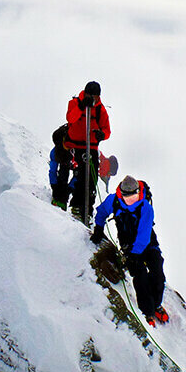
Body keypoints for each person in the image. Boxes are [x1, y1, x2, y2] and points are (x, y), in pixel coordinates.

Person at [90, 175, 169, 327]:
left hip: (147, 244)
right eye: (129, 198)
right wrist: (99, 227)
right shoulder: (114, 201)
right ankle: (147, 311)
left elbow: (144, 235)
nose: (132, 201)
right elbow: (101, 211)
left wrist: (135, 254)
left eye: (135, 197)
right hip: (128, 245)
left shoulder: (145, 207)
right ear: (122, 195)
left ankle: (156, 304)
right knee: (140, 276)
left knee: (158, 272)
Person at [64, 81, 111, 222]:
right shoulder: (75, 103)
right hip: (76, 145)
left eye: (95, 97)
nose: (92, 99)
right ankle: (77, 206)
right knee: (81, 175)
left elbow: (107, 130)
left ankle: (88, 209)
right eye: (90, 96)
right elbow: (70, 118)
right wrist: (81, 106)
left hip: (92, 146)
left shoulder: (100, 110)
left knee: (91, 178)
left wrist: (102, 135)